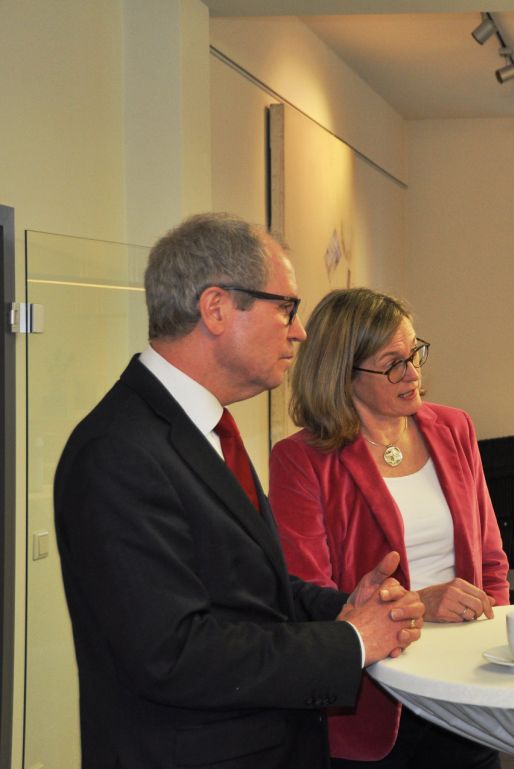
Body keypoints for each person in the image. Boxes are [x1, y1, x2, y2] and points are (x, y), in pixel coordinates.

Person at [54, 213, 426, 769]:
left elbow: (251, 594)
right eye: (287, 308)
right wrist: (350, 642)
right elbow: (173, 654)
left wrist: (345, 606)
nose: (299, 331)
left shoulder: (205, 429)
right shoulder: (118, 450)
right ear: (217, 308)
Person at [268, 287, 510, 769]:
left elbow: (490, 561)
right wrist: (423, 603)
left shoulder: (454, 428)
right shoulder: (301, 461)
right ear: (344, 373)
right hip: (372, 704)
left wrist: (497, 658)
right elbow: (306, 595)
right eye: (392, 363)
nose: (413, 374)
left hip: (464, 694)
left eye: (414, 352)